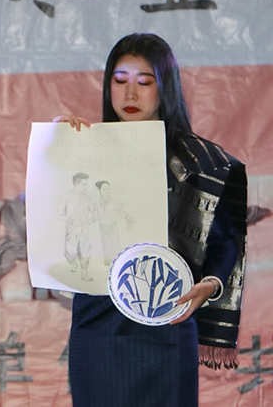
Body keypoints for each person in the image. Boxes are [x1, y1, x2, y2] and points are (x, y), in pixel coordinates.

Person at [55, 33, 246, 407]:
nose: (130, 94)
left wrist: (209, 284)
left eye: (144, 82)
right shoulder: (86, 148)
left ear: (166, 87)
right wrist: (60, 148)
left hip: (167, 320)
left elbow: (225, 241)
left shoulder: (197, 164)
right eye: (119, 80)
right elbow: (58, 218)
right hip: (97, 323)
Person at [57, 172, 96, 281]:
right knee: (71, 251)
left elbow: (95, 215)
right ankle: (73, 262)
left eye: (87, 184)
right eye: (84, 184)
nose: (86, 187)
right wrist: (72, 221)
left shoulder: (88, 198)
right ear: (76, 184)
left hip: (84, 230)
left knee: (85, 252)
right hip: (72, 230)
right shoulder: (65, 197)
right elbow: (59, 214)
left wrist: (89, 221)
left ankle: (84, 274)